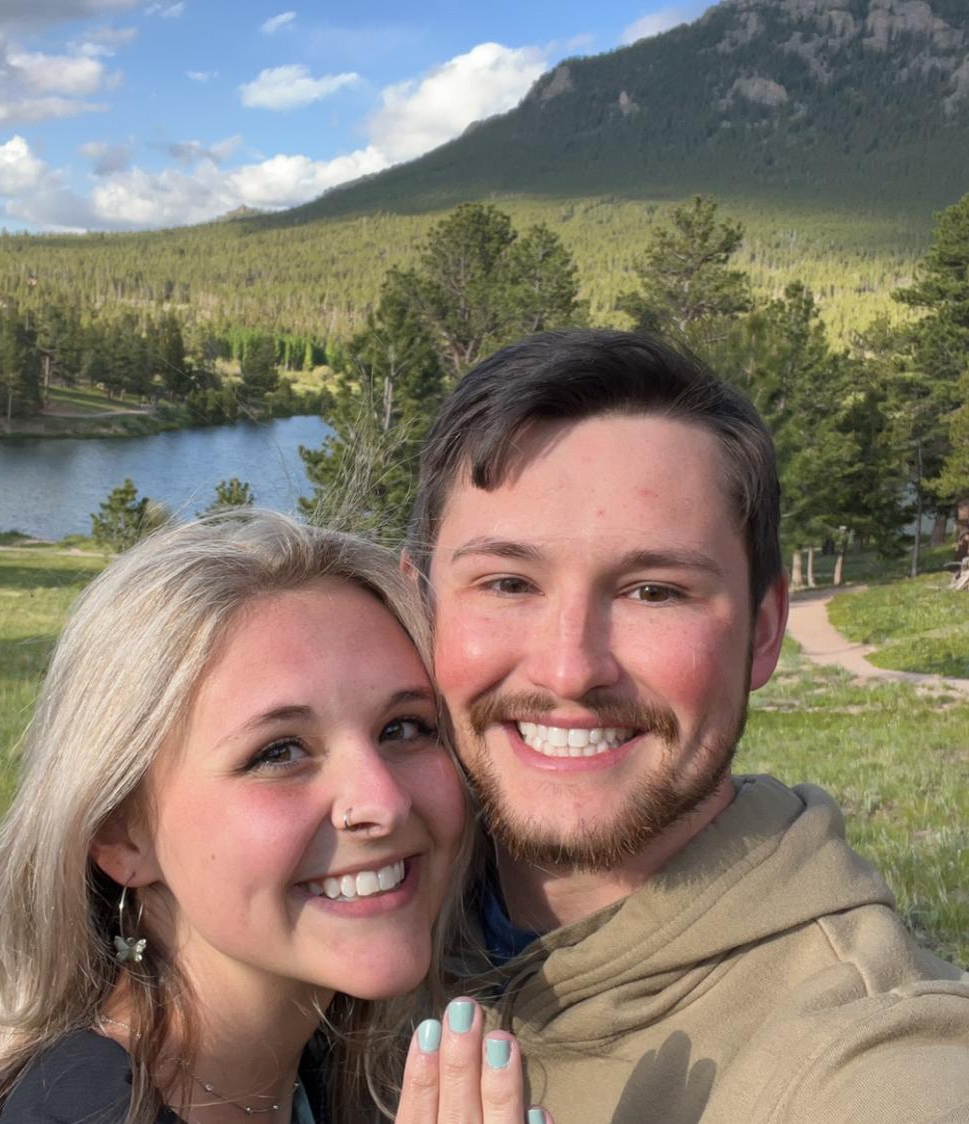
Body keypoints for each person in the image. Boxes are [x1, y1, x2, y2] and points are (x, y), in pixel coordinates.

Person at [403, 329, 969, 1124]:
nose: (569, 670)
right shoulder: (364, 918)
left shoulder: (868, 1051)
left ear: (764, 631)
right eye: (507, 582)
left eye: (654, 592)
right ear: (420, 602)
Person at [0, 512, 531, 1124]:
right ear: (119, 836)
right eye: (279, 752)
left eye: (405, 727)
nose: (384, 802)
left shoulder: (332, 1066)